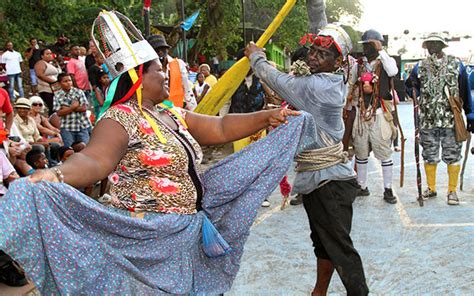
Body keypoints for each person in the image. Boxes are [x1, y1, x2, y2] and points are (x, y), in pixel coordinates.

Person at [0, 10, 306, 294]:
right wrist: (55, 174)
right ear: (138, 78)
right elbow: (95, 159)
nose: (167, 74)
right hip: (152, 242)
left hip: (186, 234)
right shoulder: (119, 117)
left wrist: (267, 117)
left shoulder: (169, 114)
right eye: (159, 69)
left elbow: (222, 127)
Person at [245, 24, 369, 295]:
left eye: (322, 54)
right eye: (312, 50)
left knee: (340, 248)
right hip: (318, 180)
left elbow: (278, 81)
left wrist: (256, 56)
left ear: (337, 62)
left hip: (331, 184)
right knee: (323, 243)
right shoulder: (325, 78)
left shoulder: (317, 86)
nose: (313, 56)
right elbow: (319, 21)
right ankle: (319, 291)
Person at [405, 32, 473, 205]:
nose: (432, 47)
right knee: (429, 154)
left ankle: (452, 191)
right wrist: (413, 89)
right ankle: (432, 187)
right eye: (429, 44)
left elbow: (464, 90)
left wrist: (470, 114)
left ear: (442, 46)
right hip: (428, 119)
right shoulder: (419, 67)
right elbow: (411, 87)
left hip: (451, 120)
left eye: (436, 44)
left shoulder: (456, 65)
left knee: (453, 154)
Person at [350, 29, 399, 204]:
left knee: (384, 152)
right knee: (361, 152)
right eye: (365, 45)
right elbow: (351, 83)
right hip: (362, 115)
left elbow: (393, 72)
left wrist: (381, 51)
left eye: (370, 45)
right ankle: (362, 186)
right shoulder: (358, 65)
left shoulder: (386, 61)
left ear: (377, 45)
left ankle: (387, 189)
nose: (366, 49)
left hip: (379, 114)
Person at [146, 34, 196, 110]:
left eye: (162, 49)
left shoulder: (179, 64)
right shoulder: (147, 68)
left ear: (167, 50)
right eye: (156, 50)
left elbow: (187, 90)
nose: (160, 53)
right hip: (157, 113)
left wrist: (193, 109)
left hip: (177, 112)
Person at [53, 73, 91, 148]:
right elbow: (59, 113)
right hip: (67, 127)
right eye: (65, 81)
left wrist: (66, 108)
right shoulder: (57, 95)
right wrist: (73, 107)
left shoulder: (79, 92)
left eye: (70, 81)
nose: (68, 83)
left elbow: (84, 108)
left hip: (82, 125)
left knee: (85, 148)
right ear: (59, 83)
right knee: (69, 149)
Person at [35, 48, 61, 115]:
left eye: (50, 53)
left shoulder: (51, 63)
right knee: (52, 107)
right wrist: (53, 82)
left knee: (56, 107)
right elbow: (40, 75)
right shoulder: (40, 63)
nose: (50, 55)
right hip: (45, 88)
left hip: (54, 89)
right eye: (47, 54)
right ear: (42, 56)